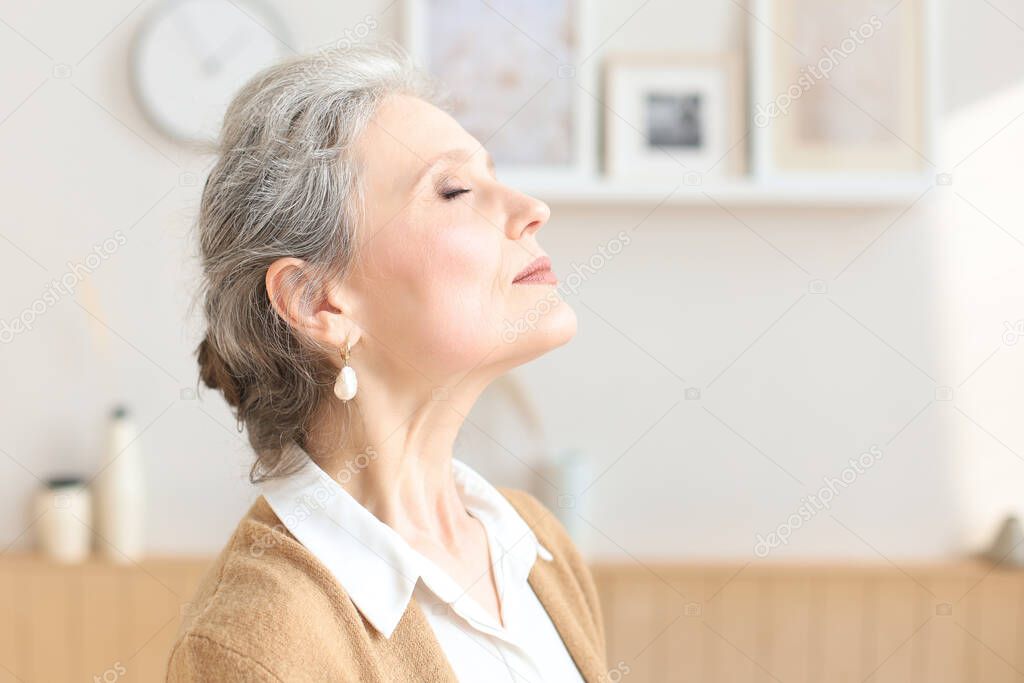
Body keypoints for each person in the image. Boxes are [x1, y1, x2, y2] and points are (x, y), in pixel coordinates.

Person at [166, 40, 606, 682]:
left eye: (493, 175)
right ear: (318, 300)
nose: (531, 209)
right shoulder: (254, 645)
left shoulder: (534, 544)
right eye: (455, 191)